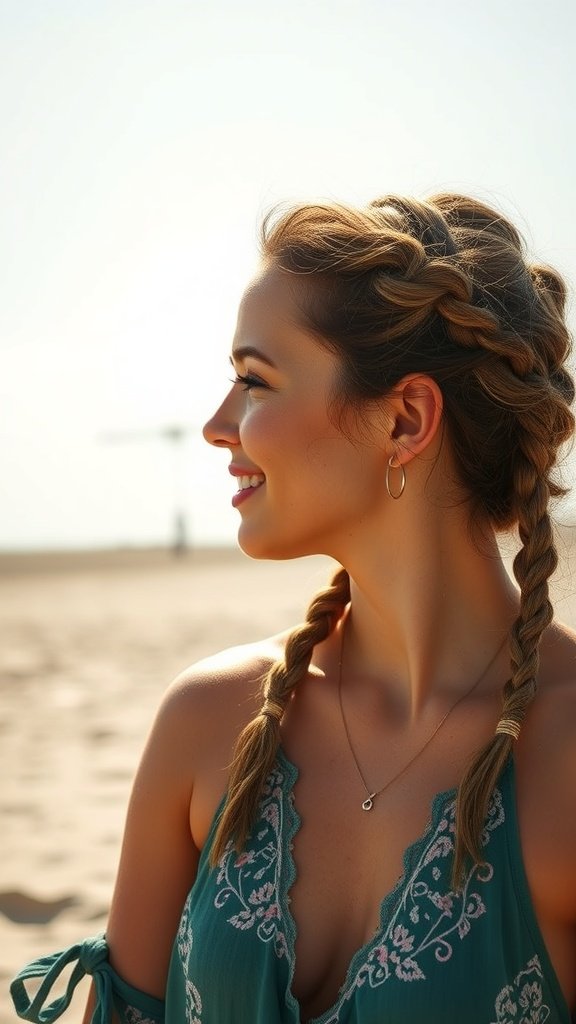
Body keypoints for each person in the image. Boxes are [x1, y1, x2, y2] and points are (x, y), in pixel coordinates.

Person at [11, 192, 576, 1024]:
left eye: (254, 381)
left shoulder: (564, 755)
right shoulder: (208, 722)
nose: (217, 425)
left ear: (406, 420)